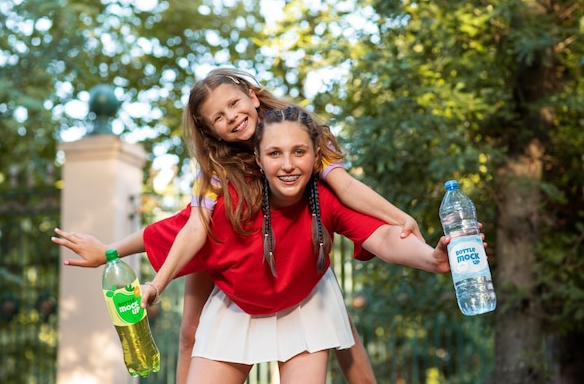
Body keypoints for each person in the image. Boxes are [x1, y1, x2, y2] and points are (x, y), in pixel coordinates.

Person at [52, 68, 424, 384]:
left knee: (338, 325)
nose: (230, 116)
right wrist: (125, 263)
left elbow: (344, 188)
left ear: (253, 95)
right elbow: (185, 227)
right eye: (218, 116)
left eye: (234, 103)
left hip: (295, 251)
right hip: (229, 247)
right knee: (190, 332)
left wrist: (400, 217)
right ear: (211, 131)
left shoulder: (299, 133)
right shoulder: (218, 171)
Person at [136, 105, 457, 383]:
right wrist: (112, 255)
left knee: (346, 337)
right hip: (238, 305)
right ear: (258, 160)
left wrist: (432, 258)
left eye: (299, 152)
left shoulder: (325, 197)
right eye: (275, 153)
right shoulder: (226, 205)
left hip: (302, 307)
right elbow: (170, 232)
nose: (288, 164)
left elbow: (384, 236)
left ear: (316, 156)